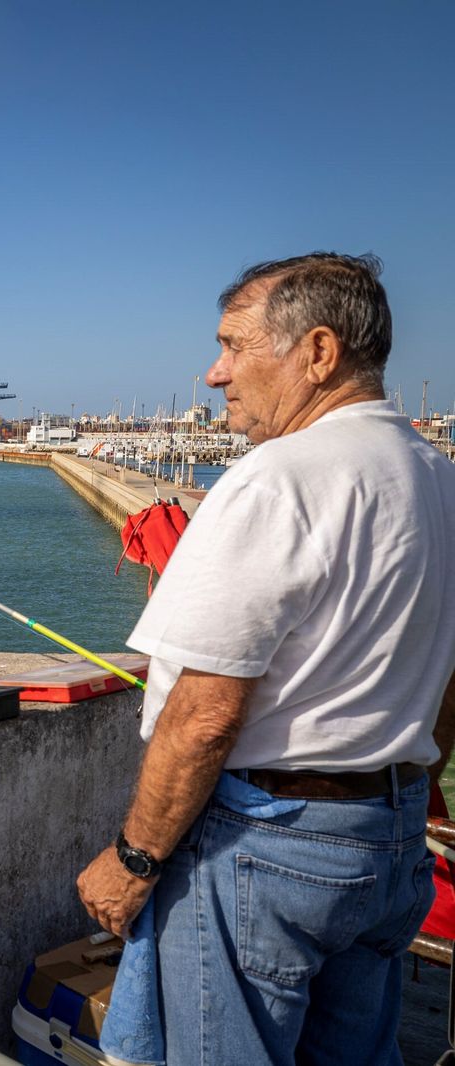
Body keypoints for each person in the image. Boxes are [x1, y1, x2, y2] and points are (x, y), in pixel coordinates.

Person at [76, 252, 455, 1065]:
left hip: (270, 845)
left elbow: (205, 715)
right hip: (390, 838)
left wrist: (134, 858)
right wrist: (402, 799)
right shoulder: (438, 478)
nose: (215, 373)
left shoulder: (278, 479)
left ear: (318, 353)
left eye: (232, 346)